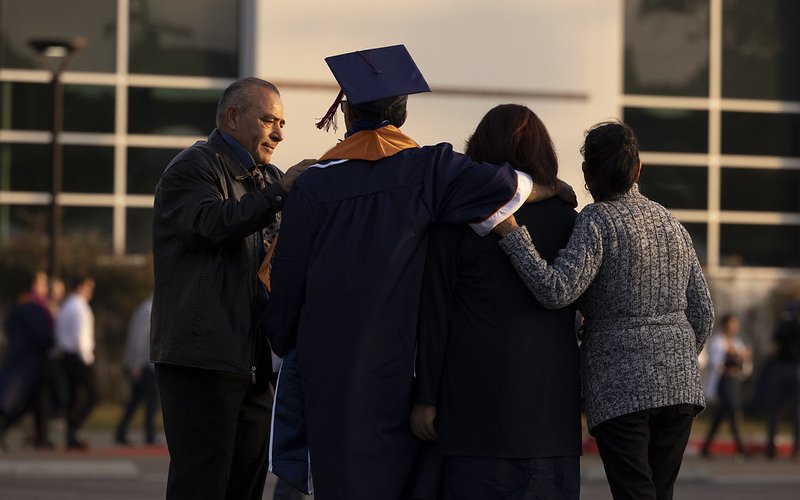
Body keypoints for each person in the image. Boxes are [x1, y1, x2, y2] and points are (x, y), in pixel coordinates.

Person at [265, 45, 570, 500]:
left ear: (346, 112)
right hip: (402, 367)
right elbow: (514, 185)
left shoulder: (314, 185)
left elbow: (285, 285)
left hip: (334, 369)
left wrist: (284, 338)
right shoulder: (432, 170)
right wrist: (556, 188)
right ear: (403, 111)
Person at [493, 120, 714, 500]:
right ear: (638, 170)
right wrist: (669, 357)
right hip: (679, 386)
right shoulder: (671, 221)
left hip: (620, 386)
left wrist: (512, 235)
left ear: (587, 174)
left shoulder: (597, 220)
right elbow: (703, 312)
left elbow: (557, 290)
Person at [150, 77, 314, 500]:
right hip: (201, 359)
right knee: (202, 486)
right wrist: (280, 193)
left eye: (282, 123)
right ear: (232, 117)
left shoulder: (268, 178)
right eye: (269, 120)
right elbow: (209, 224)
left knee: (246, 486)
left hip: (253, 361)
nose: (279, 133)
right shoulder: (193, 167)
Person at [410, 104, 582, 499]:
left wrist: (426, 398)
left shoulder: (456, 223)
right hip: (551, 416)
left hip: (473, 415)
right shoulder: (570, 220)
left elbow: (434, 316)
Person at [0, 271, 56, 450]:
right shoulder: (36, 308)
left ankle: (40, 437)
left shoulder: (18, 306)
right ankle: (40, 437)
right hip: (31, 362)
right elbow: (44, 337)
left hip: (18, 358)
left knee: (32, 402)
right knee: (25, 401)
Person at [54, 275, 98, 450]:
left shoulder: (66, 306)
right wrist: (88, 359)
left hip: (67, 356)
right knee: (94, 395)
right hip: (79, 357)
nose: (91, 292)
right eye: (89, 288)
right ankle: (74, 427)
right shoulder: (80, 308)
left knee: (75, 396)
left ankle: (71, 434)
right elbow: (81, 337)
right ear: (80, 287)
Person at [701, 313, 751, 459]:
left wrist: (742, 356)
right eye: (731, 324)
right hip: (723, 381)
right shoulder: (717, 341)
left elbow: (745, 365)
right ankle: (741, 448)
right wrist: (737, 355)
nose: (734, 328)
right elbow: (716, 364)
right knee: (733, 411)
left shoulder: (738, 342)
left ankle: (705, 447)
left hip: (734, 382)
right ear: (725, 326)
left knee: (721, 414)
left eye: (735, 325)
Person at [114, 294, 159, 446]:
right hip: (146, 364)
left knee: (136, 400)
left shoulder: (144, 309)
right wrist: (137, 364)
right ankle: (150, 434)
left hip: (143, 364)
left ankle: (121, 431)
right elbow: (140, 339)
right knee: (152, 401)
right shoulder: (149, 310)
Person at [765, 300, 800, 459]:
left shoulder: (782, 327)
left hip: (781, 370)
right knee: (797, 412)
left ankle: (771, 448)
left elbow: (773, 350)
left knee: (774, 410)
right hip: (796, 370)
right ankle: (797, 449)